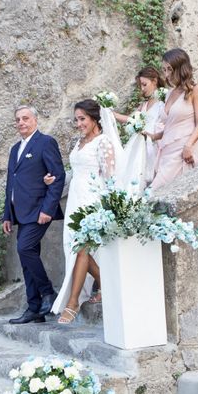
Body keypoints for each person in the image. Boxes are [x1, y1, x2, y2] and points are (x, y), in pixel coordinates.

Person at [45, 99, 115, 324]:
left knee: (82, 249)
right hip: (76, 200)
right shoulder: (79, 143)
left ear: (95, 118)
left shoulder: (103, 142)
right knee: (75, 249)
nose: (78, 123)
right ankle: (107, 283)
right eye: (76, 119)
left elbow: (111, 178)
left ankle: (73, 302)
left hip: (93, 201)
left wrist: (105, 209)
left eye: (82, 118)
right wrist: (55, 179)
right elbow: (76, 171)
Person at [3, 105, 65, 325]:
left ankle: (48, 292)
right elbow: (10, 184)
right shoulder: (14, 149)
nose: (21, 122)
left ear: (35, 120)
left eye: (25, 118)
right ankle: (34, 308)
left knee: (24, 248)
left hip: (39, 210)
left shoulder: (46, 142)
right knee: (27, 258)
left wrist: (48, 209)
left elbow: (57, 176)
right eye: (18, 119)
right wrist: (7, 215)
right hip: (19, 212)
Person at [146, 48, 198, 189]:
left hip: (183, 149)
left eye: (169, 69)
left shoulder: (195, 90)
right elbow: (170, 126)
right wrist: (154, 136)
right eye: (164, 70)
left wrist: (188, 146)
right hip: (166, 150)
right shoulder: (169, 93)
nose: (166, 75)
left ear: (180, 68)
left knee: (155, 191)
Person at [114, 66, 166, 190]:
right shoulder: (144, 104)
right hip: (141, 146)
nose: (142, 89)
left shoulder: (163, 102)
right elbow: (131, 119)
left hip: (155, 144)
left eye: (144, 84)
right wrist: (112, 114)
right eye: (140, 86)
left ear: (154, 81)